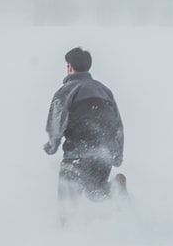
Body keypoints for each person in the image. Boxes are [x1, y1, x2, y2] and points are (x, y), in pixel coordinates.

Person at [43, 47, 125, 215]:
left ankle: (64, 227)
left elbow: (57, 120)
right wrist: (117, 155)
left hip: (77, 154)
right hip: (104, 153)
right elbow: (117, 125)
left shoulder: (66, 91)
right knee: (96, 192)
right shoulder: (105, 91)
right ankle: (116, 186)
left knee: (66, 201)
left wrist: (52, 145)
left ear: (70, 67)